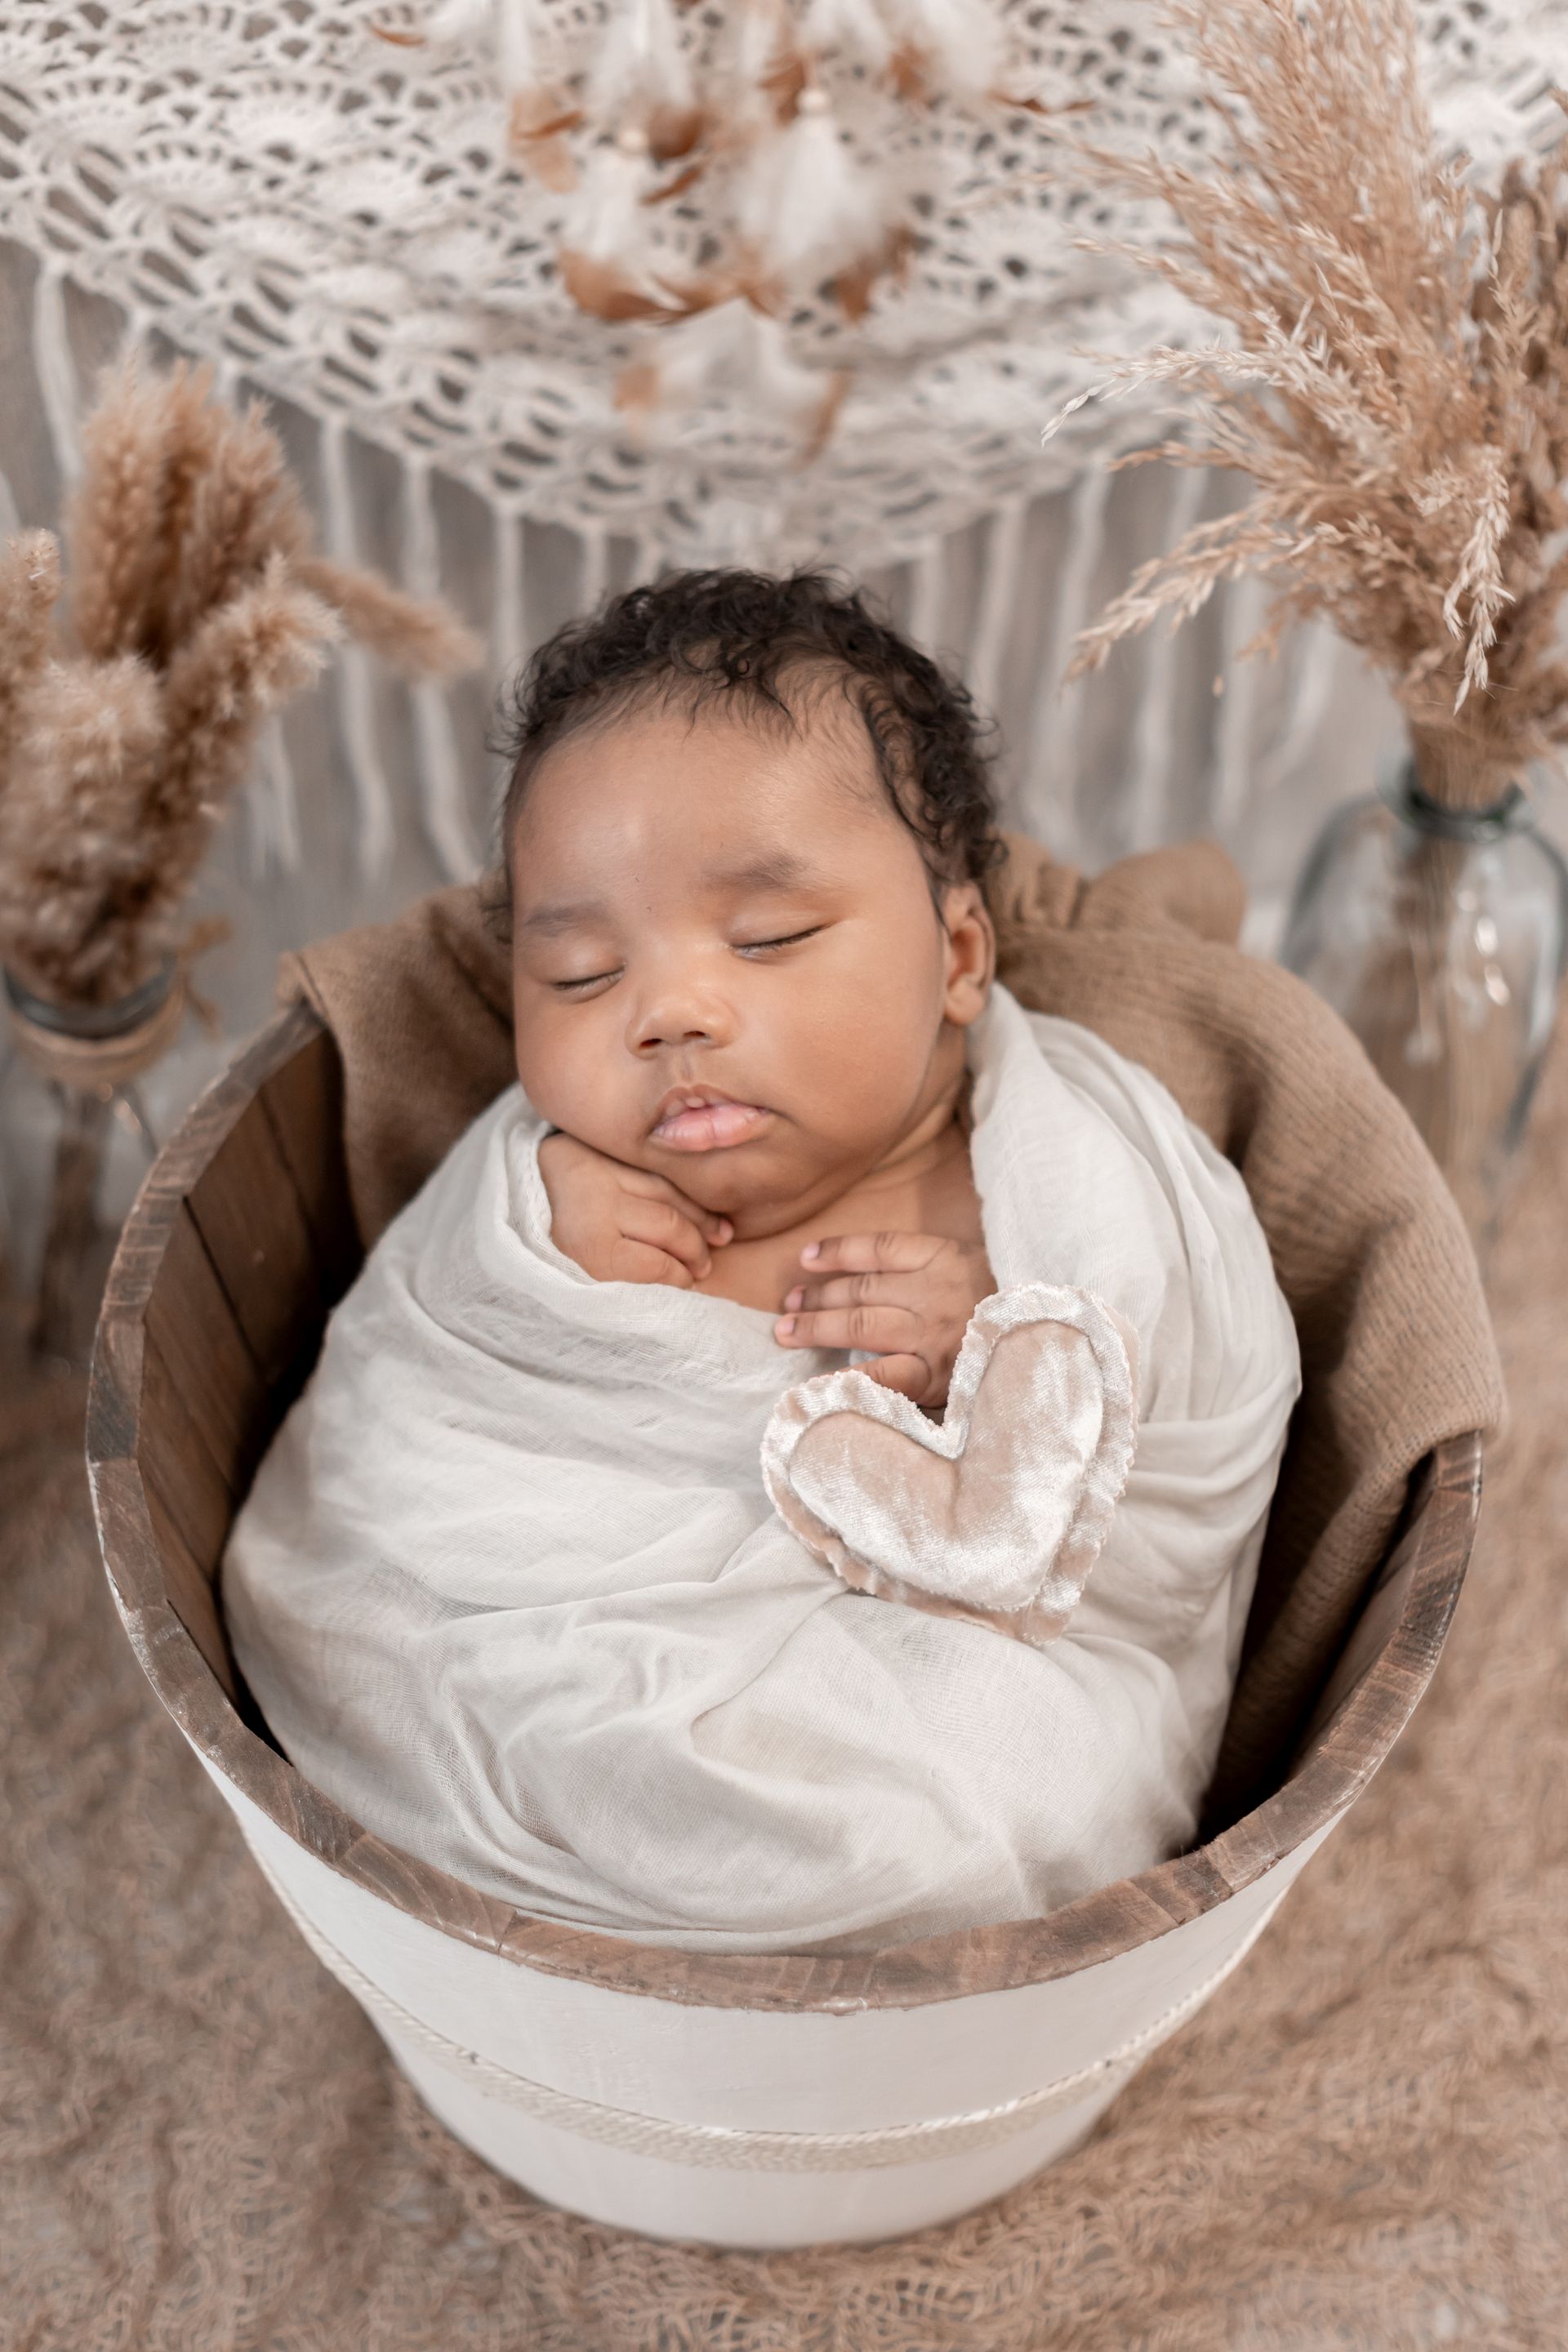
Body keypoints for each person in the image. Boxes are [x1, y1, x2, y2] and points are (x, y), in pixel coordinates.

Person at [222, 569, 1300, 1953]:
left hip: (910, 1687)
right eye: (581, 975)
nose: (669, 1010)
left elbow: (1174, 1465)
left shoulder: (1069, 1168)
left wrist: (987, 1370)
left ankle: (764, 1885)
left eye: (770, 937)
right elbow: (409, 1387)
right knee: (411, 1659)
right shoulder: (548, 1173)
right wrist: (527, 1241)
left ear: (960, 951)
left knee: (1009, 1798)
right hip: (558, 1623)